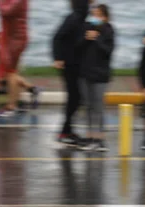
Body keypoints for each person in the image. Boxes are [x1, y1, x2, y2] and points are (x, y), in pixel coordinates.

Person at [52, 0, 93, 147]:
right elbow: (57, 37)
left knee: (76, 98)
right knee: (75, 98)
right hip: (69, 65)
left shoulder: (81, 18)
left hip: (76, 64)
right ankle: (64, 132)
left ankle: (67, 131)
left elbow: (76, 41)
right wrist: (57, 58)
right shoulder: (74, 18)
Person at [77, 4, 116, 152]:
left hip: (100, 75)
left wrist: (97, 39)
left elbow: (108, 51)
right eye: (93, 14)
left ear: (105, 16)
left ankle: (100, 139)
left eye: (99, 14)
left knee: (98, 106)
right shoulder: (86, 27)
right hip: (85, 73)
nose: (95, 17)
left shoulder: (108, 30)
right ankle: (90, 137)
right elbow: (77, 47)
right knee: (88, 106)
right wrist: (85, 39)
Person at [0, 32, 40, 112]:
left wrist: (2, 76)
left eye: (0, 41)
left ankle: (14, 103)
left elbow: (19, 68)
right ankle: (32, 88)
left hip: (8, 80)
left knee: (13, 77)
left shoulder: (12, 53)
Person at [0, 0, 29, 118]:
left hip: (16, 38)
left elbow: (6, 11)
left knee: (11, 72)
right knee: (11, 72)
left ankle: (12, 106)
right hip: (11, 36)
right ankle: (29, 91)